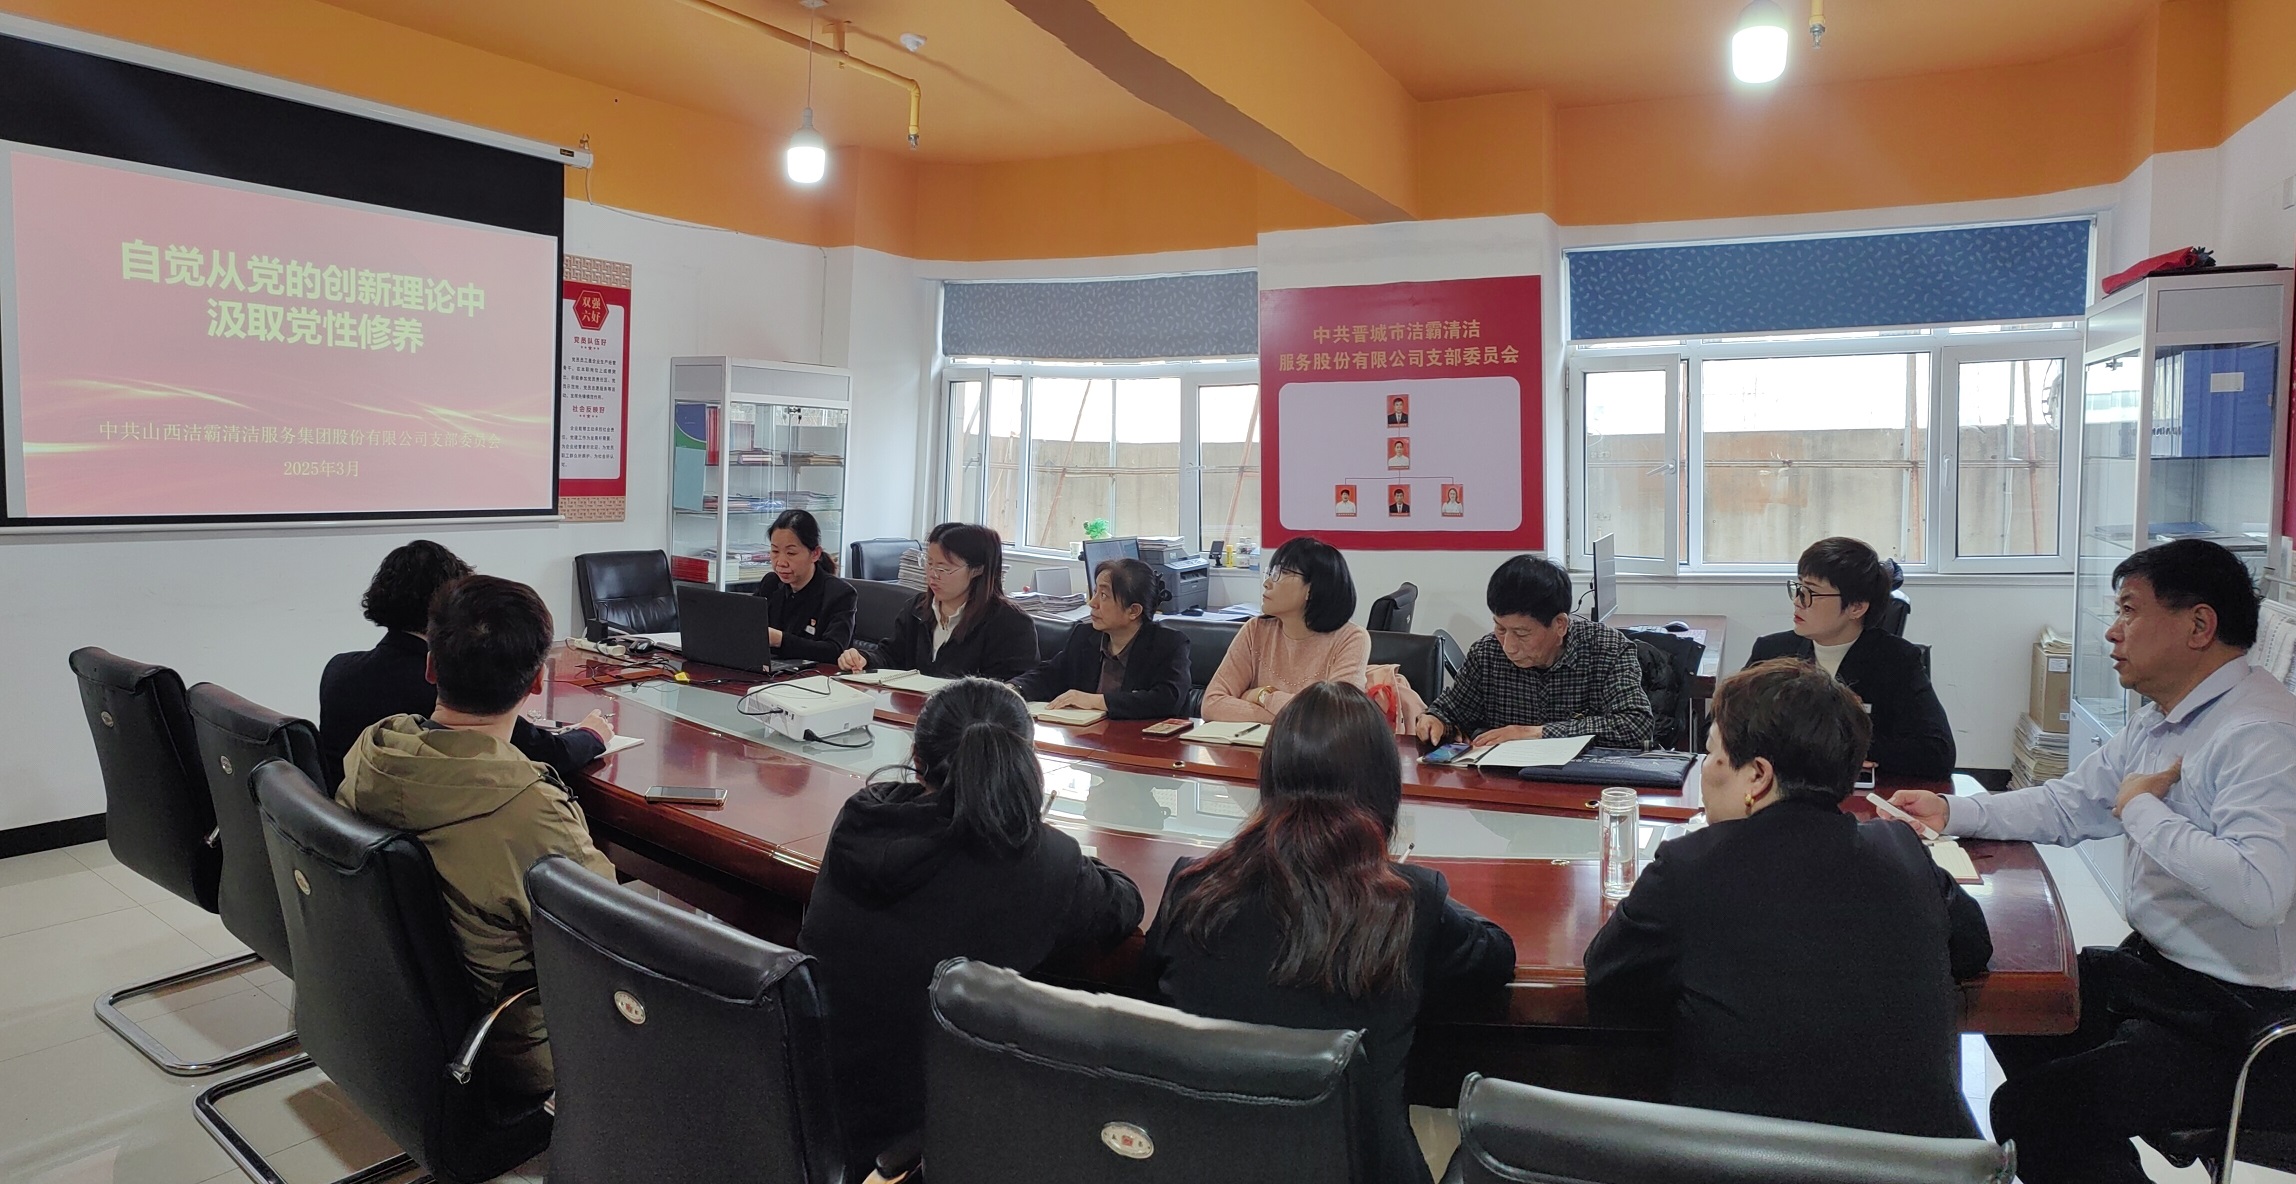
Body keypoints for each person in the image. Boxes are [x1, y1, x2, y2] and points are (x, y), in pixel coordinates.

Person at [1887, 539, 2296, 1183]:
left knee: (2035, 1108)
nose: (2112, 630)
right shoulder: (2168, 717)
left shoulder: (2259, 734)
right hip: (2167, 976)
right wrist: (1954, 811)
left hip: (2245, 1017)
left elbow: (2261, 890)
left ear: (2199, 625)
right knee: (2010, 1006)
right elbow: (2071, 803)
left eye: (2129, 610)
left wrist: (2142, 810)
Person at [1583, 659, 1992, 1139]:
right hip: (1924, 1161)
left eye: (1711, 753)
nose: (1704, 771)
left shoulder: (1690, 865)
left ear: (1757, 776)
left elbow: (1608, 979)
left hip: (1745, 1159)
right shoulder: (1900, 849)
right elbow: (1972, 946)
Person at [1141, 682, 1515, 1184]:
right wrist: (1403, 877)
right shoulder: (1408, 901)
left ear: (1270, 777)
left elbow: (1144, 997)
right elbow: (1497, 955)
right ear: (1384, 789)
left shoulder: (1193, 886)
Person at [800, 678, 1143, 1169]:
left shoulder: (863, 816)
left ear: (916, 757)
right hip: (929, 1147)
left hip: (809, 1114)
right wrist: (1035, 828)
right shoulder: (1036, 860)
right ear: (1024, 765)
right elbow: (1123, 905)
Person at [336, 575, 618, 1101]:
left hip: (382, 1016)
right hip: (510, 1054)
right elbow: (613, 942)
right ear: (538, 682)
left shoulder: (371, 753)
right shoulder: (529, 808)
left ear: (430, 666)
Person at [318, 540, 608, 791]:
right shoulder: (447, 685)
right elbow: (548, 754)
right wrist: (592, 734)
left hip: (350, 818)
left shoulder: (338, 669)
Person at [1746, 537, 1955, 778]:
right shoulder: (1772, 651)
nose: (1798, 601)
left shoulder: (1896, 660)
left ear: (1856, 607)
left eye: (1811, 592)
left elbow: (1938, 753)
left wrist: (1840, 750)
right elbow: (1722, 727)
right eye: (1799, 587)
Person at [1414, 554, 1654, 750]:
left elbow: (1636, 726)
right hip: (1509, 786)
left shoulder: (1606, 649)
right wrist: (1434, 720)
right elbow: (1451, 710)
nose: (1508, 646)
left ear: (1560, 625)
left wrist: (1534, 733)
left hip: (1588, 785)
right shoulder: (1487, 653)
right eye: (1500, 628)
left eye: (1521, 633)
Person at [1201, 536, 1371, 722]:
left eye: (1281, 573)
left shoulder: (1351, 638)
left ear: (1312, 589)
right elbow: (1211, 704)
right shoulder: (1255, 630)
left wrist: (1263, 696)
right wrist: (1292, 717)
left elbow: (1334, 717)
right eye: (1270, 572)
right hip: (1258, 741)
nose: (1267, 583)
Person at [837, 522, 1038, 679]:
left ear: (978, 570)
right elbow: (891, 656)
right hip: (912, 711)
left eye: (944, 568)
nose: (932, 574)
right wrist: (864, 658)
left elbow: (1009, 689)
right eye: (929, 563)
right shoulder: (917, 609)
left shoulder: (1010, 624)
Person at [1012, 557, 1192, 719]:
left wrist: (1096, 701)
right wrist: (1014, 689)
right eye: (1095, 592)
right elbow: (1050, 674)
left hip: (1143, 740)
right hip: (1088, 737)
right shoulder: (1085, 636)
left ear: (1133, 611)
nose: (1092, 603)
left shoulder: (1168, 645)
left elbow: (1168, 699)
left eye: (1104, 596)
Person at [750, 508, 857, 666]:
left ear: (815, 554)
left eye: (791, 553)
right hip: (771, 670)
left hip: (817, 676)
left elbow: (834, 650)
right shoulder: (771, 583)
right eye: (775, 551)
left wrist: (780, 640)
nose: (781, 562)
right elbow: (747, 624)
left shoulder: (839, 594)